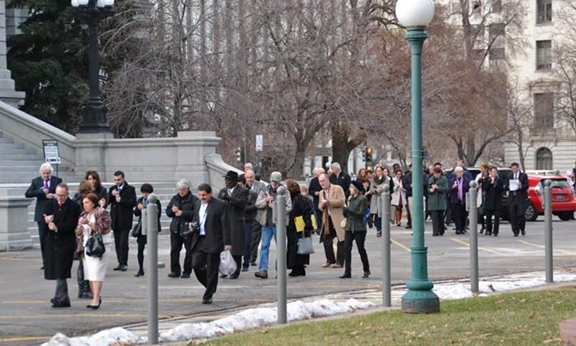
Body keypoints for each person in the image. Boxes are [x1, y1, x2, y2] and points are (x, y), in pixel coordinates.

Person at [191, 183, 230, 304]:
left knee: (212, 268)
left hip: (214, 239)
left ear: (210, 194)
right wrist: (193, 225)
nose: (202, 197)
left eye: (204, 195)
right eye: (200, 195)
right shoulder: (197, 204)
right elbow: (196, 219)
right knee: (196, 265)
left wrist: (227, 243)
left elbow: (225, 224)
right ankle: (210, 286)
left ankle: (208, 294)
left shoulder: (219, 205)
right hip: (200, 239)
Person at [43, 184, 81, 308]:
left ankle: (60, 297)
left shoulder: (73, 206)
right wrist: (46, 221)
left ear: (67, 193)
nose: (60, 198)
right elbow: (42, 218)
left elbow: (71, 225)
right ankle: (63, 297)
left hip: (65, 242)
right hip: (52, 242)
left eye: (62, 195)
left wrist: (57, 227)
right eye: (58, 195)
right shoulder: (50, 204)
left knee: (62, 269)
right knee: (57, 270)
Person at [76, 193, 112, 310]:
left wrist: (90, 223)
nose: (85, 205)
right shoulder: (83, 214)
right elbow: (78, 232)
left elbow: (104, 228)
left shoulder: (101, 212)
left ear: (93, 202)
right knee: (90, 273)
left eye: (87, 203)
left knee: (97, 272)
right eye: (83, 203)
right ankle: (95, 297)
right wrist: (80, 229)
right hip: (87, 245)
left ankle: (96, 299)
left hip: (100, 246)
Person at [254, 172, 292, 279]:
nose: (273, 183)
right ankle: (263, 270)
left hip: (279, 223)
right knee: (264, 246)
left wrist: (275, 206)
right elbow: (257, 204)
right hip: (266, 222)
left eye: (275, 181)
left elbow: (289, 207)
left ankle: (279, 271)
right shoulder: (264, 190)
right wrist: (266, 200)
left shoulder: (285, 192)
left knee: (281, 247)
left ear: (279, 181)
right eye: (272, 181)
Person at [25, 162, 62, 270]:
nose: (46, 175)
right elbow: (28, 193)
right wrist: (40, 191)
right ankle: (46, 262)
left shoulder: (57, 180)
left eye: (48, 173)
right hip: (41, 213)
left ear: (51, 173)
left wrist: (55, 195)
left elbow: (62, 192)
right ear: (41, 173)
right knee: (43, 238)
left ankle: (55, 260)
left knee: (54, 237)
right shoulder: (36, 181)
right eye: (44, 173)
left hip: (54, 211)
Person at [218, 171, 249, 279]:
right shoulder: (223, 191)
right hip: (225, 220)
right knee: (224, 246)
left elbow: (242, 203)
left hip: (236, 220)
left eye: (229, 180)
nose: (227, 182)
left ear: (235, 181)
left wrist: (229, 198)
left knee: (236, 247)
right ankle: (225, 269)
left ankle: (236, 269)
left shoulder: (243, 190)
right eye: (226, 180)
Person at [166, 179, 198, 278]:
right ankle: (175, 270)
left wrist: (183, 213)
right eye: (179, 189)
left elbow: (195, 214)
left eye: (183, 189)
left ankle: (187, 271)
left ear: (188, 189)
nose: (181, 192)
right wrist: (172, 210)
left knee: (189, 251)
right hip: (176, 227)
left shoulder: (194, 200)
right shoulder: (175, 198)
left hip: (187, 229)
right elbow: (168, 212)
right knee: (174, 250)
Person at [108, 171, 137, 271]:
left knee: (123, 242)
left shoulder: (130, 189)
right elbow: (107, 201)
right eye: (115, 180)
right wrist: (112, 195)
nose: (117, 182)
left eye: (119, 179)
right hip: (115, 220)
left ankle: (124, 262)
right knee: (117, 242)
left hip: (125, 219)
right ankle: (120, 262)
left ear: (123, 178)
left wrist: (122, 200)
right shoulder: (112, 189)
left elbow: (133, 202)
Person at [341, 180, 370, 279]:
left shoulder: (363, 199)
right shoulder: (349, 198)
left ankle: (366, 269)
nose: (350, 189)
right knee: (346, 248)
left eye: (351, 187)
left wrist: (349, 210)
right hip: (349, 226)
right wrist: (344, 211)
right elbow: (346, 213)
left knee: (360, 248)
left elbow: (361, 214)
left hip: (359, 228)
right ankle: (347, 271)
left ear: (356, 189)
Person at [285, 180, 314, 277]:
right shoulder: (303, 199)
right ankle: (299, 267)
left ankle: (296, 268)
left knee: (294, 247)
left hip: (295, 226)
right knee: (299, 246)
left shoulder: (295, 199)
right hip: (301, 226)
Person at [133, 184, 162, 277]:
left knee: (152, 249)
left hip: (152, 227)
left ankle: (152, 267)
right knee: (140, 249)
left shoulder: (156, 201)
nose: (145, 194)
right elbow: (136, 213)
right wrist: (138, 208)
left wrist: (145, 209)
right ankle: (140, 268)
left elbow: (158, 214)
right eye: (144, 192)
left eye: (147, 192)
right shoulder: (140, 200)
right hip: (142, 227)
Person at [318, 173, 346, 269]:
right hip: (328, 218)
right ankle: (330, 260)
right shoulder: (321, 192)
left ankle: (340, 261)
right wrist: (322, 205)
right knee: (326, 239)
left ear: (327, 180)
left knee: (341, 239)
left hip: (338, 218)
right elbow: (320, 207)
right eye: (320, 181)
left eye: (323, 181)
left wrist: (329, 202)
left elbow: (342, 201)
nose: (322, 183)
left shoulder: (337, 188)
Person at [72, 180, 93, 299]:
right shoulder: (85, 201)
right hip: (85, 233)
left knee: (82, 262)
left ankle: (82, 288)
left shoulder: (75, 200)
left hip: (78, 234)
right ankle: (85, 288)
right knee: (86, 263)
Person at [245, 169, 266, 267]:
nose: (249, 180)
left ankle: (252, 258)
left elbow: (263, 198)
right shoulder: (243, 186)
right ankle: (247, 256)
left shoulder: (261, 186)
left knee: (255, 238)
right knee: (247, 238)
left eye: (251, 177)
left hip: (258, 215)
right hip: (246, 216)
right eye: (247, 178)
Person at [240, 175, 257, 272]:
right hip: (237, 220)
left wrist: (242, 207)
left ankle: (246, 262)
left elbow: (254, 206)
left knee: (247, 242)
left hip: (248, 220)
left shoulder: (251, 194)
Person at [507, 162, 528, 237]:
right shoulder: (509, 176)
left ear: (518, 168)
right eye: (512, 169)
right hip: (512, 197)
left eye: (515, 168)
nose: (514, 170)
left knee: (520, 214)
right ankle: (515, 230)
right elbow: (506, 185)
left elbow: (526, 186)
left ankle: (522, 228)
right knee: (512, 215)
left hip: (520, 197)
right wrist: (508, 187)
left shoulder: (523, 176)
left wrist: (521, 186)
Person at [368, 166, 390, 237]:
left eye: (380, 171)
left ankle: (382, 228)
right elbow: (371, 189)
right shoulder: (373, 179)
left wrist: (381, 188)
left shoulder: (385, 178)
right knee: (377, 214)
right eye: (377, 171)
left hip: (383, 198)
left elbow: (387, 187)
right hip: (375, 198)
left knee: (382, 214)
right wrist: (375, 190)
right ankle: (378, 229)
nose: (378, 172)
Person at [483, 167, 504, 236]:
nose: (493, 173)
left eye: (495, 171)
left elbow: (501, 189)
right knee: (488, 217)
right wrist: (490, 183)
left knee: (497, 218)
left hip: (497, 201)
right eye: (492, 171)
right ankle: (489, 230)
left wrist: (495, 185)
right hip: (489, 201)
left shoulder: (499, 180)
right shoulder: (487, 179)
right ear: (490, 172)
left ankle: (495, 231)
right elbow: (485, 188)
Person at [427, 167, 448, 236]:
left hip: (440, 201)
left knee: (441, 217)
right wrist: (430, 190)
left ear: (439, 173)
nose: (435, 175)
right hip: (433, 201)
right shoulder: (430, 179)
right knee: (434, 218)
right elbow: (427, 188)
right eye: (434, 173)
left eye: (437, 173)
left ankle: (441, 230)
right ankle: (435, 231)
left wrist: (438, 188)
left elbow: (445, 189)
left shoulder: (443, 179)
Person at [450, 167, 470, 235]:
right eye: (458, 172)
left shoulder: (466, 180)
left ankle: (463, 228)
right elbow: (449, 190)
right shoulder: (453, 180)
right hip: (455, 199)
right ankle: (458, 228)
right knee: (456, 215)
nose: (459, 174)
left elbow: (468, 189)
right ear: (455, 173)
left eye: (461, 172)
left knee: (463, 215)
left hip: (464, 199)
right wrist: (453, 187)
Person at [308, 168, 325, 235]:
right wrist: (315, 193)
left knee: (325, 215)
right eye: (319, 173)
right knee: (318, 216)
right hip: (316, 200)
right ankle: (319, 229)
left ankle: (325, 228)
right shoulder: (313, 180)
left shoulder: (326, 180)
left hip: (325, 199)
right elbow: (310, 191)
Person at [475, 163, 489, 234]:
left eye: (482, 168)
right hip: (481, 194)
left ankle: (488, 227)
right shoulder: (479, 176)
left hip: (487, 195)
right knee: (480, 212)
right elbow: (475, 185)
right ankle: (483, 225)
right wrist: (479, 182)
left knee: (487, 211)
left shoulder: (489, 176)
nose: (481, 170)